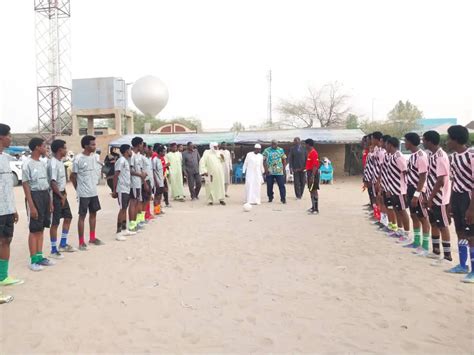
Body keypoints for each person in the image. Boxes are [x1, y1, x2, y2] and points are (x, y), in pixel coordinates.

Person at [445, 125, 474, 281]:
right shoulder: (454, 158)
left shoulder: (471, 157)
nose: (447, 141)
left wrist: (471, 209)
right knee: (460, 231)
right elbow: (454, 180)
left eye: (449, 138)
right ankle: (463, 265)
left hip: (469, 199)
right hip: (456, 197)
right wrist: (450, 202)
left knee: (472, 235)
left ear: (455, 139)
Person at [22, 138, 54, 270]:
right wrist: (32, 205)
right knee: (34, 229)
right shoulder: (27, 164)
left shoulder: (42, 163)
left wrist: (50, 201)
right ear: (37, 147)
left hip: (44, 195)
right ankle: (33, 260)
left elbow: (47, 184)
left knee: (41, 228)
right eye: (44, 146)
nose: (46, 148)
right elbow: (26, 184)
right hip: (34, 196)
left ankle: (40, 257)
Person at [422, 130, 452, 266]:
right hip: (431, 197)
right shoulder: (431, 155)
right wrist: (427, 196)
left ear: (429, 141)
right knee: (434, 223)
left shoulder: (440, 156)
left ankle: (447, 257)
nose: (422, 142)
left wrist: (430, 197)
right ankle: (435, 251)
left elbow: (440, 180)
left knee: (443, 225)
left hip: (440, 198)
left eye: (424, 140)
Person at [70, 135, 104, 250]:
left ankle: (92, 238)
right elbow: (72, 176)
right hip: (83, 193)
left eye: (95, 144)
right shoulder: (78, 159)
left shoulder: (96, 157)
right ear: (86, 146)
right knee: (82, 216)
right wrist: (78, 189)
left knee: (93, 214)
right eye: (92, 144)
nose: (95, 146)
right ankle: (81, 242)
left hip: (93, 191)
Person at [0, 123, 23, 287]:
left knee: (6, 240)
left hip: (7, 209)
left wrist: (13, 208)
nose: (10, 138)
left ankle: (3, 276)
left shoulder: (4, 158)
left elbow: (6, 186)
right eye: (9, 135)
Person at [403, 133, 431, 253]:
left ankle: (425, 246)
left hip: (418, 190)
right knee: (413, 215)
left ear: (410, 142)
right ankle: (416, 241)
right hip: (410, 188)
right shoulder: (412, 156)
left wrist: (417, 194)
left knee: (423, 217)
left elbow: (423, 176)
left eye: (406, 141)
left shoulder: (421, 156)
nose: (404, 143)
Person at [48, 139, 75, 258]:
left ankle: (63, 244)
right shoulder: (53, 163)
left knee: (68, 217)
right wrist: (60, 196)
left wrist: (64, 194)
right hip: (56, 195)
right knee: (55, 223)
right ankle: (53, 250)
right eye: (65, 148)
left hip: (62, 194)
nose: (66, 150)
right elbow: (52, 182)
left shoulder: (60, 162)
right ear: (60, 150)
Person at [385, 137, 411, 240]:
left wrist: (406, 189)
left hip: (400, 189)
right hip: (393, 189)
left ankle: (407, 233)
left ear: (391, 145)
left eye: (386, 145)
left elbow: (405, 172)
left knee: (402, 210)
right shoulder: (392, 156)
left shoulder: (399, 157)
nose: (385, 147)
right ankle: (400, 229)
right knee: (396, 210)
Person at [112, 144, 136, 241]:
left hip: (126, 188)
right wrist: (114, 190)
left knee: (125, 208)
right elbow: (116, 175)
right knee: (122, 209)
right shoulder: (121, 161)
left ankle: (124, 229)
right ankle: (118, 232)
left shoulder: (126, 161)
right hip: (121, 188)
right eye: (130, 150)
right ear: (127, 151)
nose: (131, 152)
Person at [129, 137, 147, 230]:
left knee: (137, 202)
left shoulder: (137, 155)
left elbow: (138, 168)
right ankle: (132, 225)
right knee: (133, 203)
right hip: (133, 183)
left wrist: (142, 174)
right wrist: (140, 174)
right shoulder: (131, 155)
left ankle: (135, 222)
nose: (142, 146)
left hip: (138, 182)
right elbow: (130, 170)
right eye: (141, 144)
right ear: (138, 144)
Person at [304, 139, 320, 214]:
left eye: (306, 144)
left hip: (313, 173)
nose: (305, 146)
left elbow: (315, 166)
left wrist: (312, 176)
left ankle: (316, 209)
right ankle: (313, 206)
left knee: (314, 190)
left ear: (309, 144)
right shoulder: (309, 153)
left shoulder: (314, 153)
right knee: (310, 190)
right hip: (309, 172)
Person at [152, 144, 165, 215]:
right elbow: (153, 171)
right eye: (163, 152)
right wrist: (156, 181)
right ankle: (156, 211)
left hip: (161, 181)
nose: (164, 153)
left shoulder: (160, 159)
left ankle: (159, 209)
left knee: (160, 196)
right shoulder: (155, 160)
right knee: (156, 197)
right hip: (157, 182)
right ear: (160, 152)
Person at [143, 144, 154, 221]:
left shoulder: (149, 159)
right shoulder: (143, 159)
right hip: (145, 181)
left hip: (149, 180)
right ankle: (145, 215)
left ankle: (148, 213)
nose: (152, 151)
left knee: (148, 198)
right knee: (144, 199)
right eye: (150, 149)